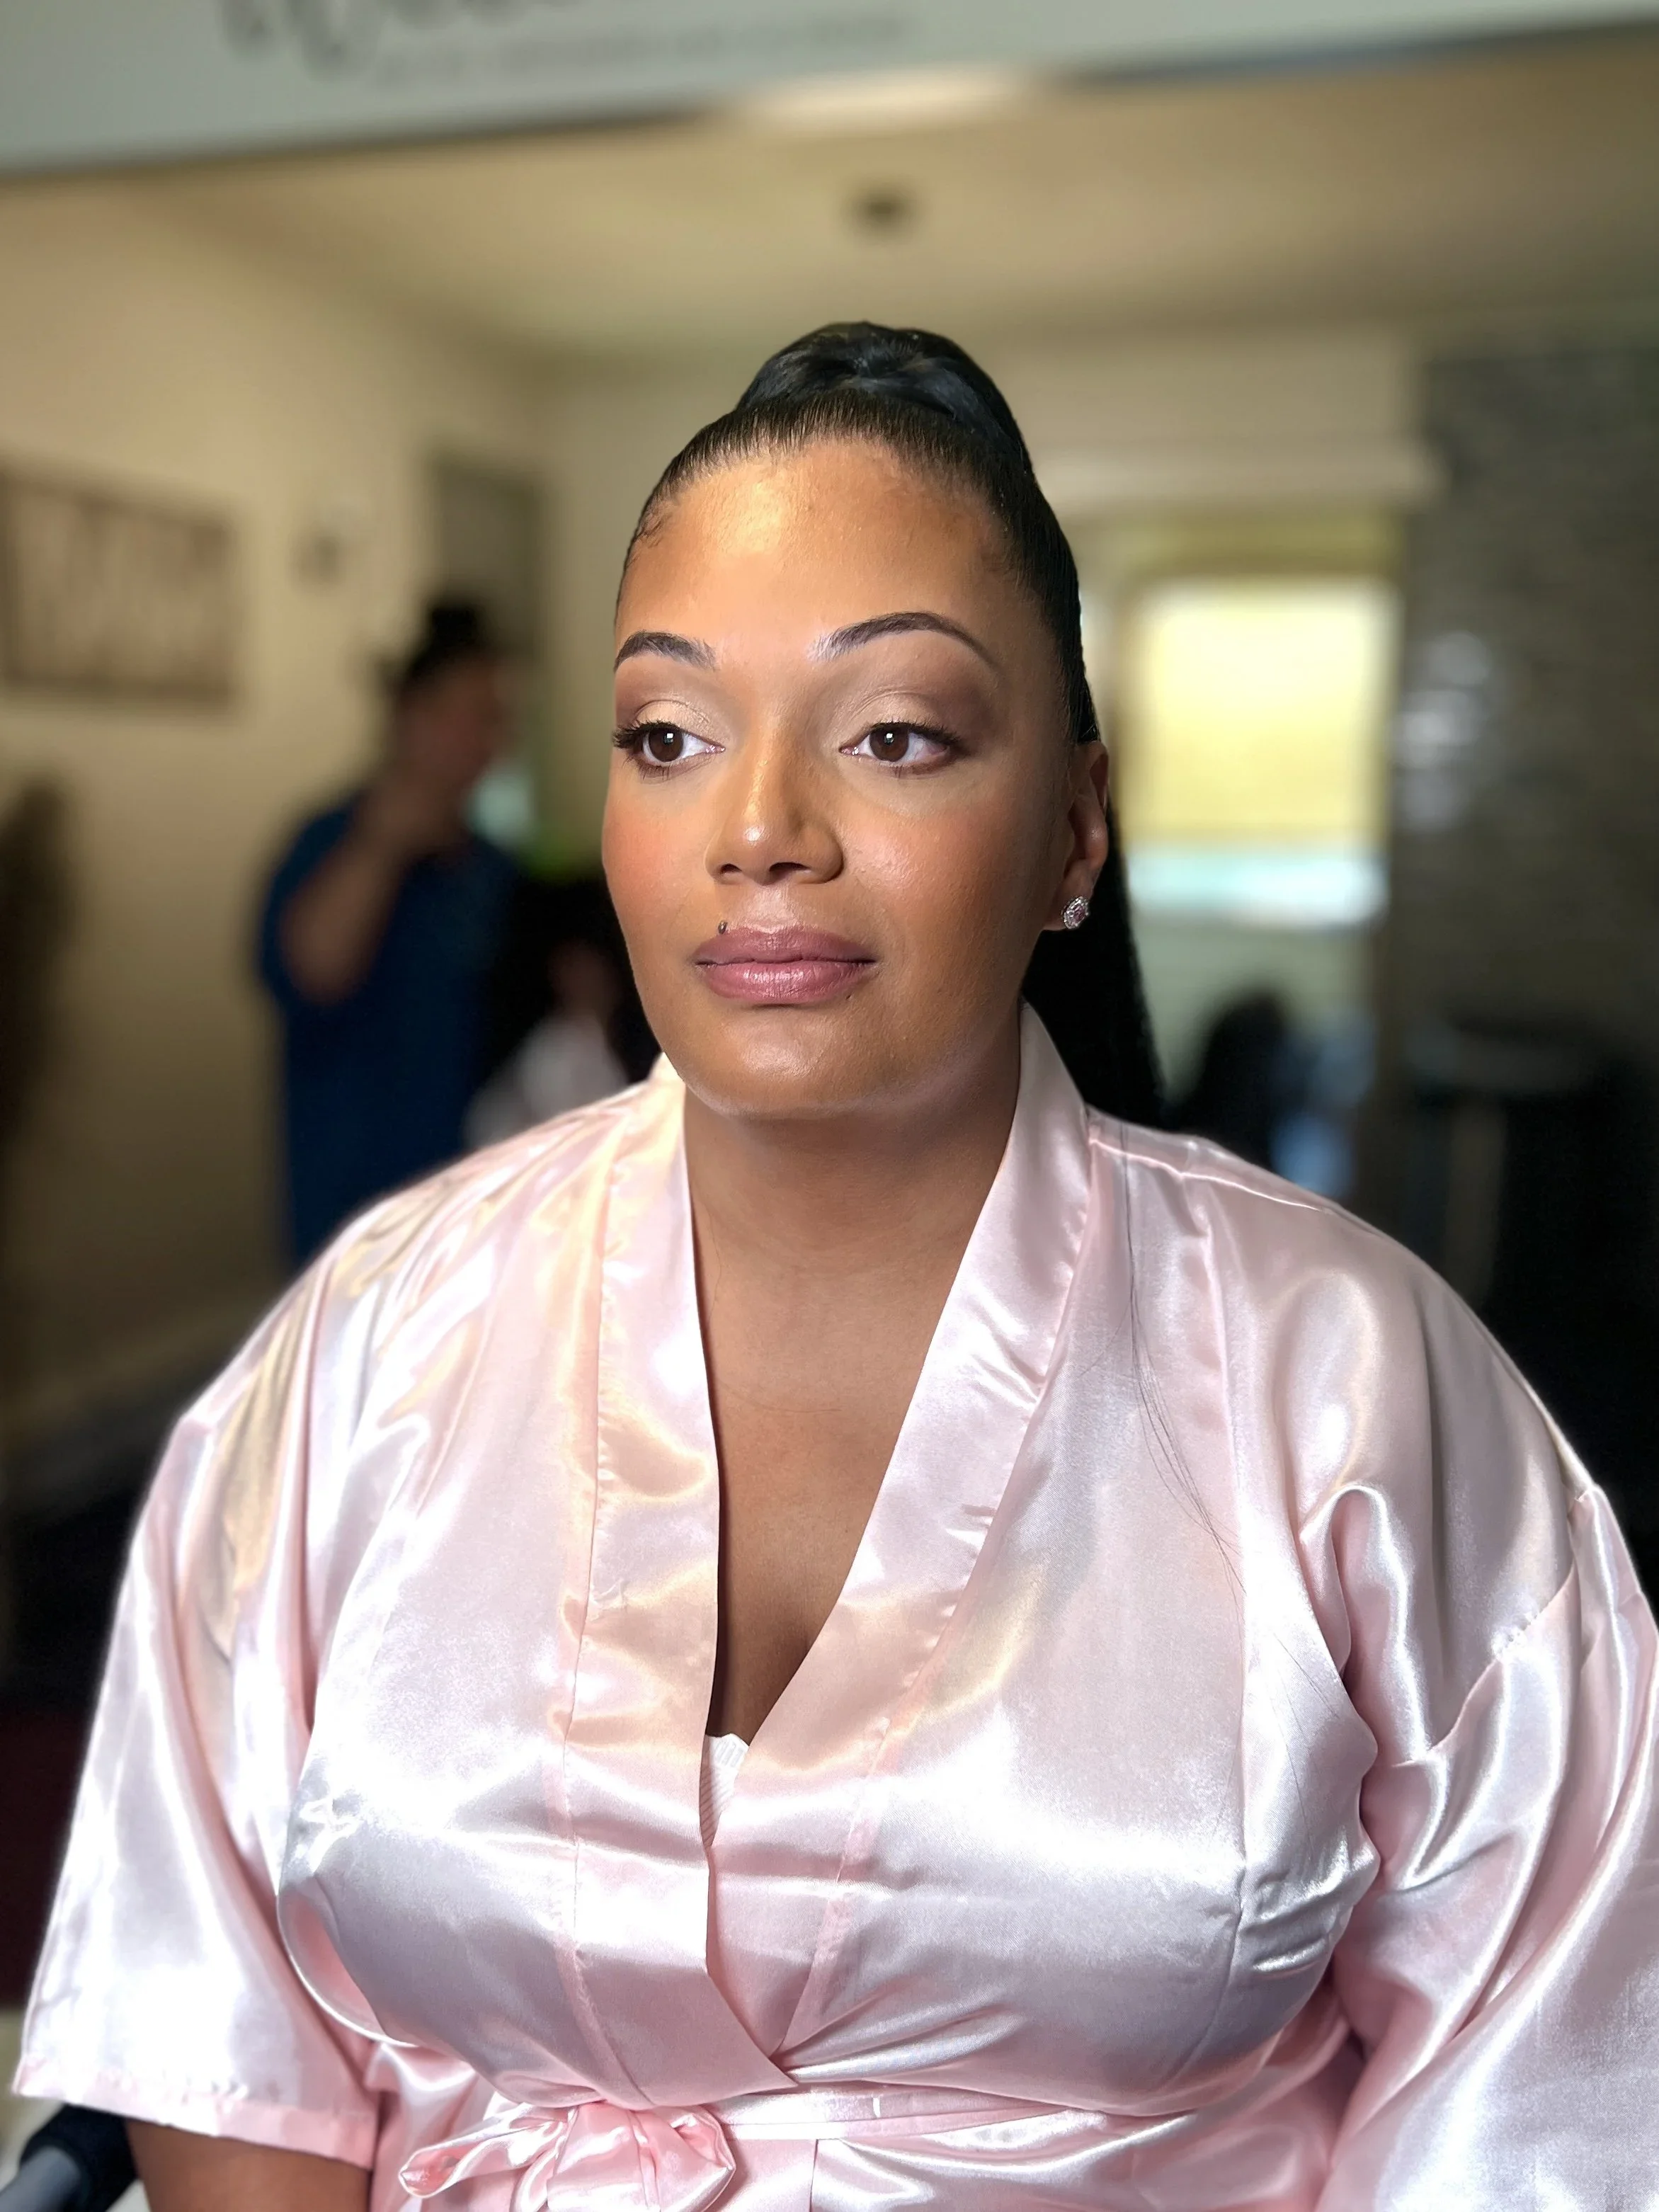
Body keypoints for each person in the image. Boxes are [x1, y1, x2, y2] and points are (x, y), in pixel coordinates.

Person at [17, 324, 1658, 2211]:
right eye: (667, 735)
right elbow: (210, 2017)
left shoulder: (1345, 1375)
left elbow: (1540, 2088)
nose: (759, 831)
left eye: (892, 732)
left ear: (1069, 830)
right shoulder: (372, 1334)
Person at [258, 598, 519, 1260]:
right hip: (353, 1226)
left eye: (498, 720)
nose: (491, 740)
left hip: (474, 1216)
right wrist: (381, 848)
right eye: (476, 716)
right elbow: (312, 970)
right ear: (413, 716)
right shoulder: (327, 845)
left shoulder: (491, 869)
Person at [464, 879, 647, 1149]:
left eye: (592, 968)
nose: (584, 980)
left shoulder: (613, 1043)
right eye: (574, 968)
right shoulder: (555, 1049)